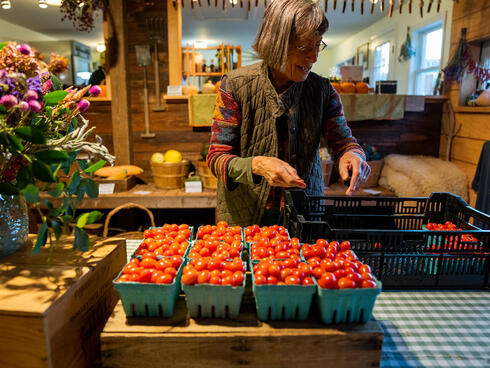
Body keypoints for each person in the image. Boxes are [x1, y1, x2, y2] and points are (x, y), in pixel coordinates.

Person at [207, 0, 371, 226]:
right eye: (305, 47)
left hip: (304, 215)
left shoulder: (323, 91)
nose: (314, 57)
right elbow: (217, 158)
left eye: (318, 45)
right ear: (276, 43)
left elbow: (344, 142)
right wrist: (256, 165)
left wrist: (354, 156)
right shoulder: (234, 86)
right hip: (243, 219)